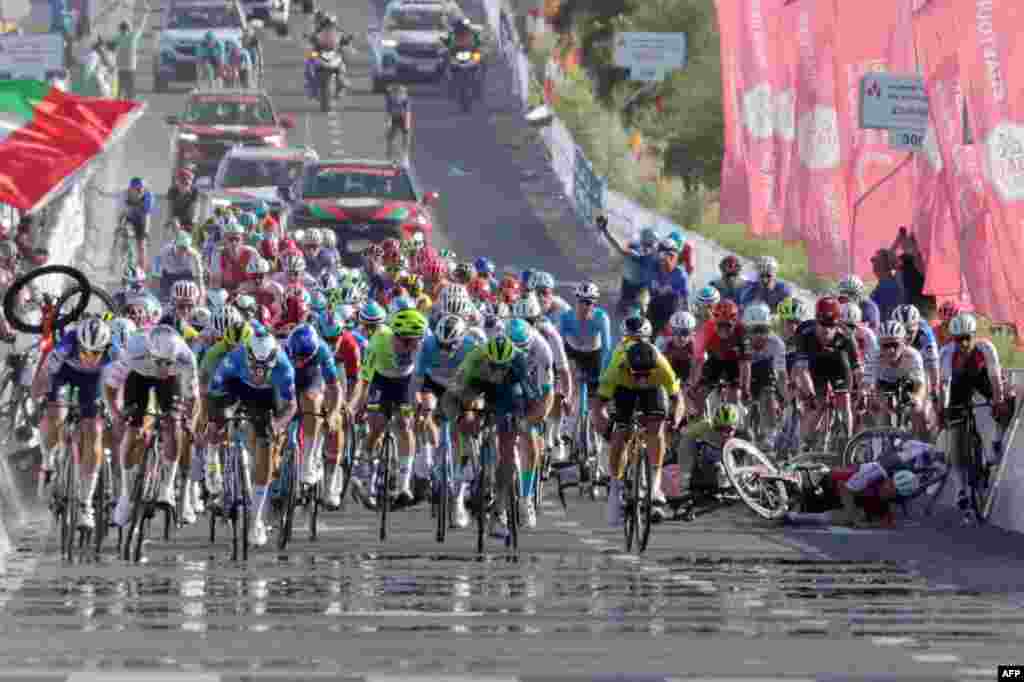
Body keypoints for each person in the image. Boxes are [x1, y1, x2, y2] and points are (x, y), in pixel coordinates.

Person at [207, 332, 297, 547]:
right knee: (220, 421)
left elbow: (291, 406)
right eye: (254, 365)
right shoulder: (233, 359)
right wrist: (214, 420)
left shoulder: (284, 369)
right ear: (247, 357)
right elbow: (215, 392)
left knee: (266, 441)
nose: (258, 372)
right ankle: (216, 469)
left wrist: (277, 424)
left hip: (269, 397)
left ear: (273, 361)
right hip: (238, 388)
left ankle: (256, 519)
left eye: (263, 367)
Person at [32, 318, 115, 528]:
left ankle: (85, 505)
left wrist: (115, 408)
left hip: (93, 382)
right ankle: (48, 459)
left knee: (93, 430)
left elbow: (120, 384)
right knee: (56, 414)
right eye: (85, 351)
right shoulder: (66, 345)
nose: (89, 357)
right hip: (64, 374)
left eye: (96, 353)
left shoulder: (115, 352)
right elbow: (44, 374)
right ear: (78, 344)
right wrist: (38, 395)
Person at [595, 340, 684, 525]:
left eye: (646, 374)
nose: (641, 379)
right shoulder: (616, 369)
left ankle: (655, 483)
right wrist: (605, 431)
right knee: (621, 432)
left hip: (654, 389)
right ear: (628, 367)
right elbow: (598, 407)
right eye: (638, 374)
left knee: (657, 426)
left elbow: (678, 399)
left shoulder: (661, 366)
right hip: (624, 388)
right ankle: (615, 488)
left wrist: (675, 419)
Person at [783, 439, 939, 527]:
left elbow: (887, 522)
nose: (888, 492)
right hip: (824, 482)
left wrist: (867, 523)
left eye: (893, 493)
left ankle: (795, 517)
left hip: (834, 500)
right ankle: (794, 511)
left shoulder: (889, 502)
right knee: (849, 516)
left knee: (851, 516)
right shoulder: (874, 472)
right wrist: (855, 518)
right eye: (890, 487)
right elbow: (845, 488)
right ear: (890, 479)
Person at [596, 216, 657, 316]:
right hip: (633, 288)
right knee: (625, 312)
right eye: (653, 243)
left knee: (632, 313)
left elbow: (619, 248)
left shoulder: (648, 254)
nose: (654, 245)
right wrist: (605, 231)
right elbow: (619, 248)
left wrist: (605, 231)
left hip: (637, 289)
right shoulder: (643, 254)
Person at [647, 238, 689, 337]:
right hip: (654, 306)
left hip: (670, 311)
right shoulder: (653, 267)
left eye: (670, 257)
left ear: (675, 257)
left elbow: (685, 300)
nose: (664, 261)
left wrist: (685, 319)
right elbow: (648, 289)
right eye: (661, 257)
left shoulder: (680, 275)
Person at [111, 3, 151, 101]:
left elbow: (111, 46)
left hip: (120, 67)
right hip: (130, 68)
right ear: (128, 28)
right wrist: (146, 13)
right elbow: (141, 25)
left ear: (120, 29)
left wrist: (116, 9)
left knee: (120, 90)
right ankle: (129, 105)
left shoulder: (118, 37)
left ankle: (118, 106)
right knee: (130, 91)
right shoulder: (133, 36)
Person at [155, 229, 205, 305]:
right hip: (169, 275)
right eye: (180, 247)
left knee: (191, 296)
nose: (183, 251)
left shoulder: (194, 255)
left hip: (186, 275)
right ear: (175, 245)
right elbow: (156, 275)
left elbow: (199, 278)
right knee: (162, 297)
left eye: (185, 248)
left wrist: (201, 296)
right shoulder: (164, 251)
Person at [119, 177, 154, 271]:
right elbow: (122, 213)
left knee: (142, 246)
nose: (140, 192)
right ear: (131, 189)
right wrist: (121, 227)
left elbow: (147, 215)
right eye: (137, 190)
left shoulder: (148, 195)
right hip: (129, 217)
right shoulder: (124, 195)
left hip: (141, 219)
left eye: (141, 189)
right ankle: (123, 263)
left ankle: (142, 268)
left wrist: (145, 232)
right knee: (126, 237)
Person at [869, 249, 906, 324]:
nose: (874, 264)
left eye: (877, 262)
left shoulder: (889, 284)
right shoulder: (886, 281)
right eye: (873, 261)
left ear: (887, 265)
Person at [385, 84, 412, 161]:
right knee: (390, 137)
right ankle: (390, 155)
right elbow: (388, 112)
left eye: (399, 95)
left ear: (403, 94)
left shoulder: (406, 100)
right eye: (393, 95)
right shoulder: (389, 100)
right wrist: (388, 123)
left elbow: (408, 113)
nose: (396, 97)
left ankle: (405, 155)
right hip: (394, 118)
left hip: (403, 118)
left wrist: (407, 125)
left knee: (406, 136)